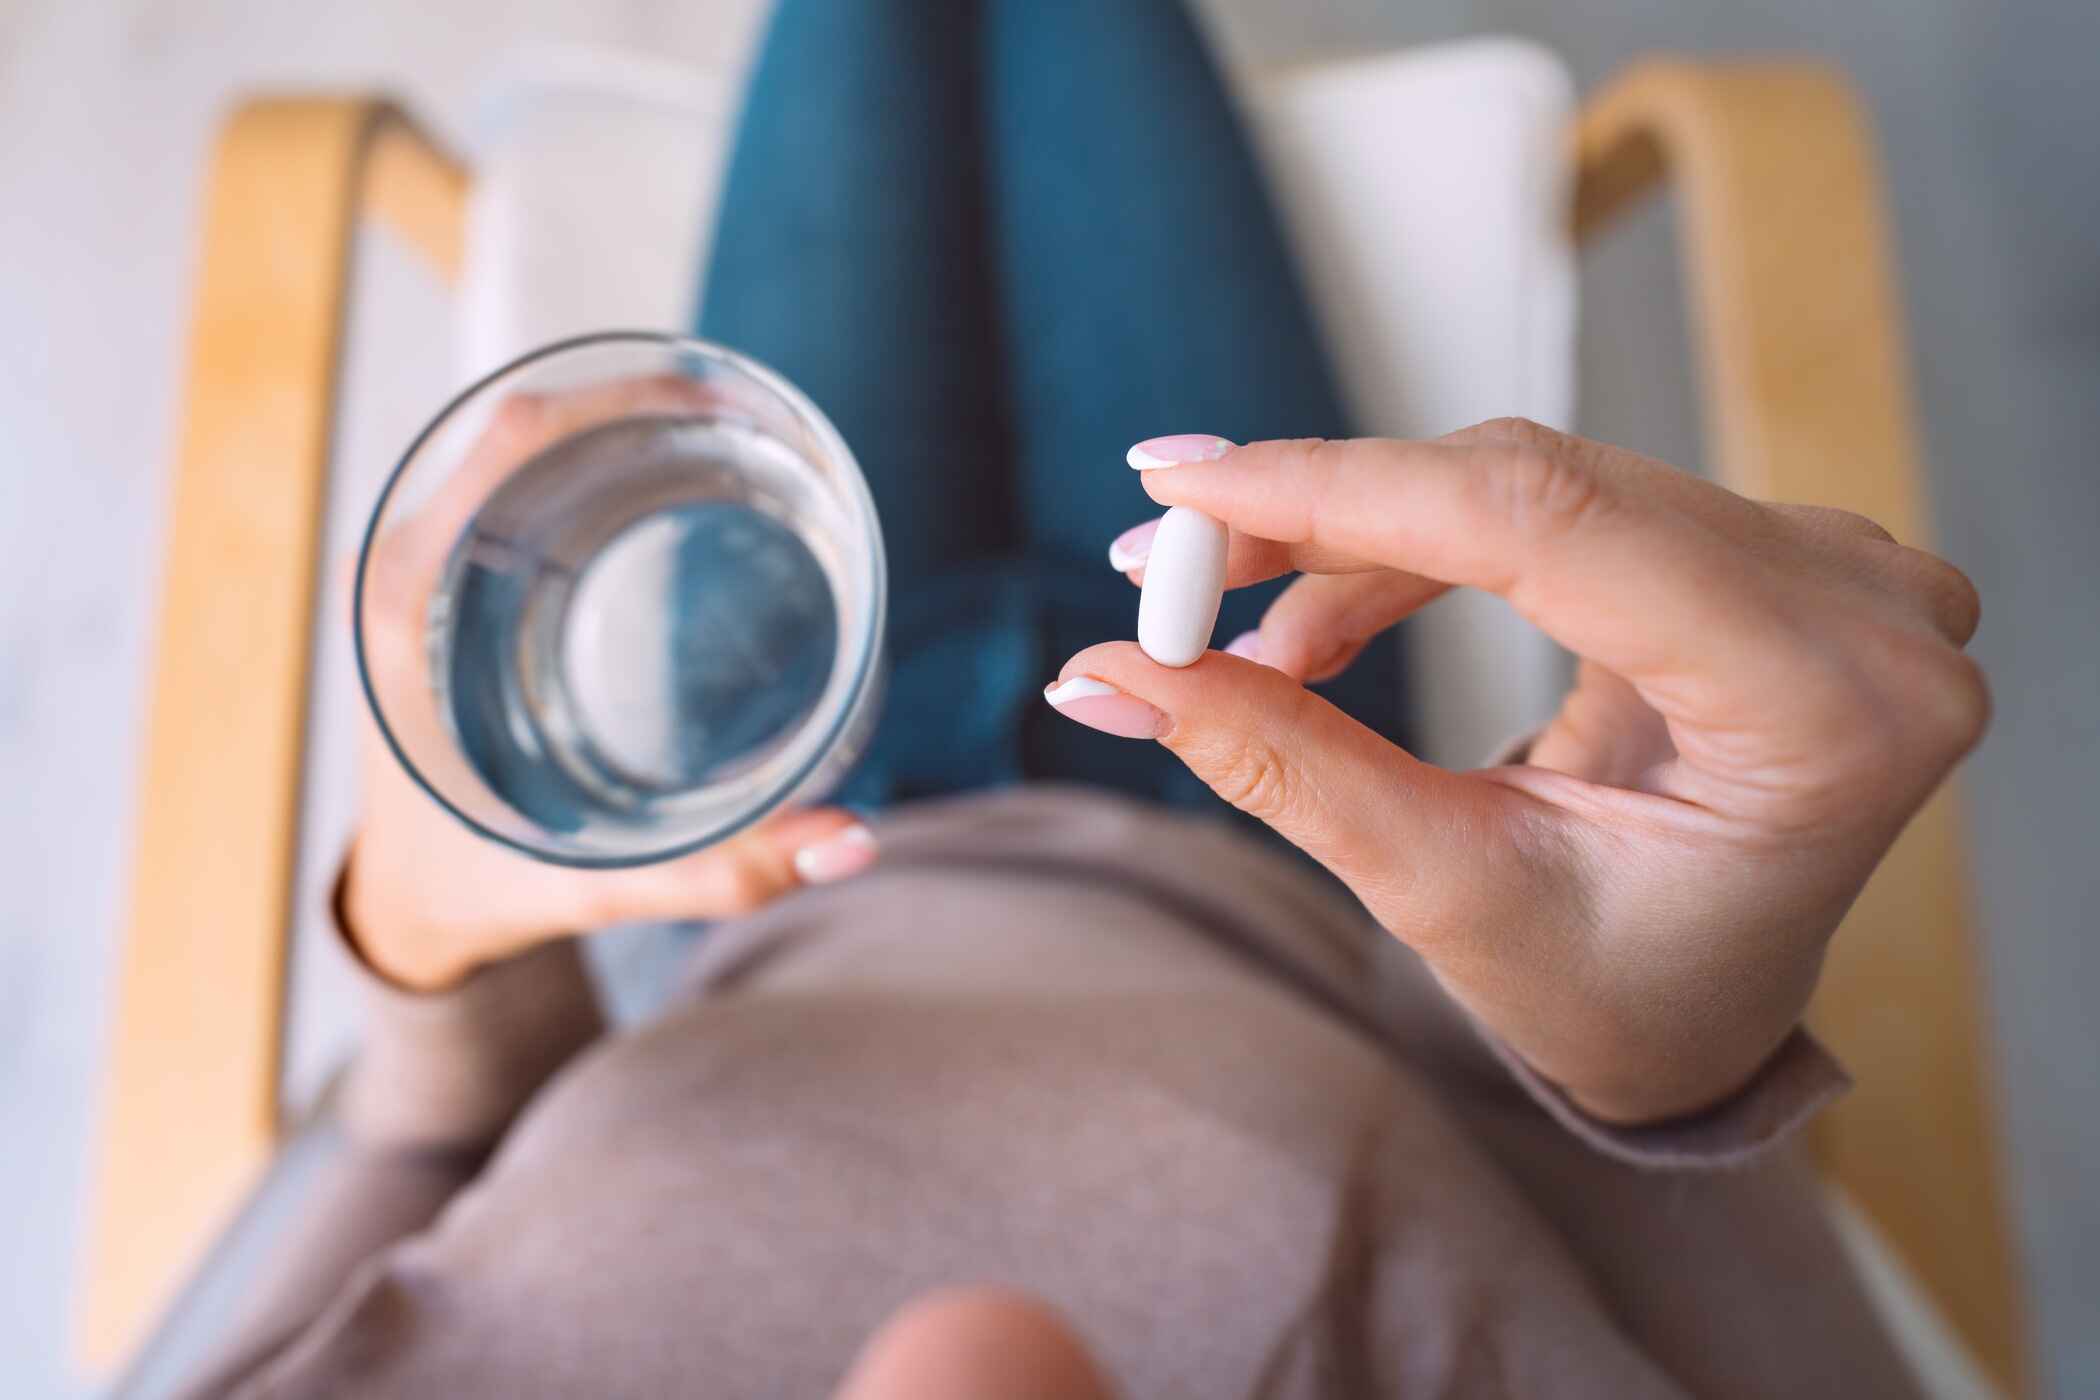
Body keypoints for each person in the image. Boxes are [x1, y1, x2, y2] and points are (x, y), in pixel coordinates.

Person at [178, 1, 1986, 1396]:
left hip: (756, 792)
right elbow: (1687, 1247)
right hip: (1280, 801)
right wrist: (1653, 1050)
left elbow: (409, 1175)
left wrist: (417, 942)